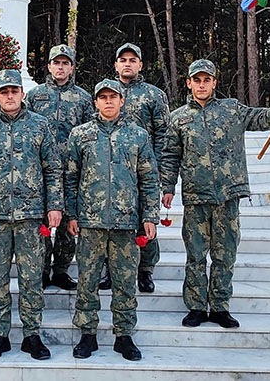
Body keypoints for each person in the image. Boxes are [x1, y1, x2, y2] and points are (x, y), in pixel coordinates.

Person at [159, 59, 270, 329]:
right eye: (196, 80)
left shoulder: (231, 109)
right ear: (189, 83)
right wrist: (168, 187)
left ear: (214, 83)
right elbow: (170, 154)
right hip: (196, 197)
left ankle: (221, 307)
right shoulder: (178, 118)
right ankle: (197, 307)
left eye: (206, 80)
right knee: (196, 255)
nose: (202, 85)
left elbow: (262, 118)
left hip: (228, 196)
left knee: (225, 255)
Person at [0, 69, 63, 360]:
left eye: (13, 91)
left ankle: (32, 334)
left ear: (22, 94)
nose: (9, 96)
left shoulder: (39, 125)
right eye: (4, 91)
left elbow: (52, 169)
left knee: (32, 277)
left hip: (31, 216)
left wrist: (54, 205)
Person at [65, 79, 159, 361]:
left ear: (122, 101)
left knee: (125, 281)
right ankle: (88, 335)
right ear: (95, 102)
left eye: (113, 97)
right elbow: (70, 178)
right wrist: (71, 214)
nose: (108, 101)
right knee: (88, 280)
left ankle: (124, 336)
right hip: (91, 223)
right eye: (102, 97)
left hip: (126, 222)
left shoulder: (138, 136)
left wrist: (149, 216)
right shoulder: (80, 135)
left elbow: (149, 179)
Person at [25, 44, 94, 291]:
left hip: (72, 170)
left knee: (67, 223)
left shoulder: (83, 98)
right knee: (42, 222)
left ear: (72, 67)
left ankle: (62, 269)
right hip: (40, 171)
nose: (60, 67)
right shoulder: (34, 96)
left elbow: (90, 133)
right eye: (56, 63)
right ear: (49, 66)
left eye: (65, 63)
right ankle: (42, 268)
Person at [104, 42, 169, 293]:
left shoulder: (153, 94)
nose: (127, 64)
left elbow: (164, 133)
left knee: (146, 219)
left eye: (133, 60)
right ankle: (111, 269)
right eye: (123, 60)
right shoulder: (105, 92)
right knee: (111, 219)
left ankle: (145, 270)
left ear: (140, 65)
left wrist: (161, 166)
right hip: (112, 169)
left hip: (143, 168)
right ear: (116, 64)